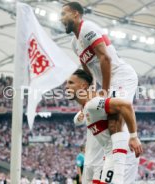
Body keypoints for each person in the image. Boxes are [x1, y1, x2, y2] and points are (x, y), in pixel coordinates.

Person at [61, 2, 139, 183]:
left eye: (64, 14)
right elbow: (89, 72)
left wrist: (103, 91)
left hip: (121, 77)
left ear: (75, 14)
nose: (60, 18)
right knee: (108, 125)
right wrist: (91, 97)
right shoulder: (75, 43)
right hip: (108, 83)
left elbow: (105, 58)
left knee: (115, 119)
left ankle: (119, 171)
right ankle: (110, 167)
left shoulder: (88, 28)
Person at [66, 69, 143, 184]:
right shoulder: (87, 107)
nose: (67, 87)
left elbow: (125, 105)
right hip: (109, 157)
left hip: (120, 155)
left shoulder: (93, 104)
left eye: (71, 83)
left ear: (83, 85)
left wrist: (133, 136)